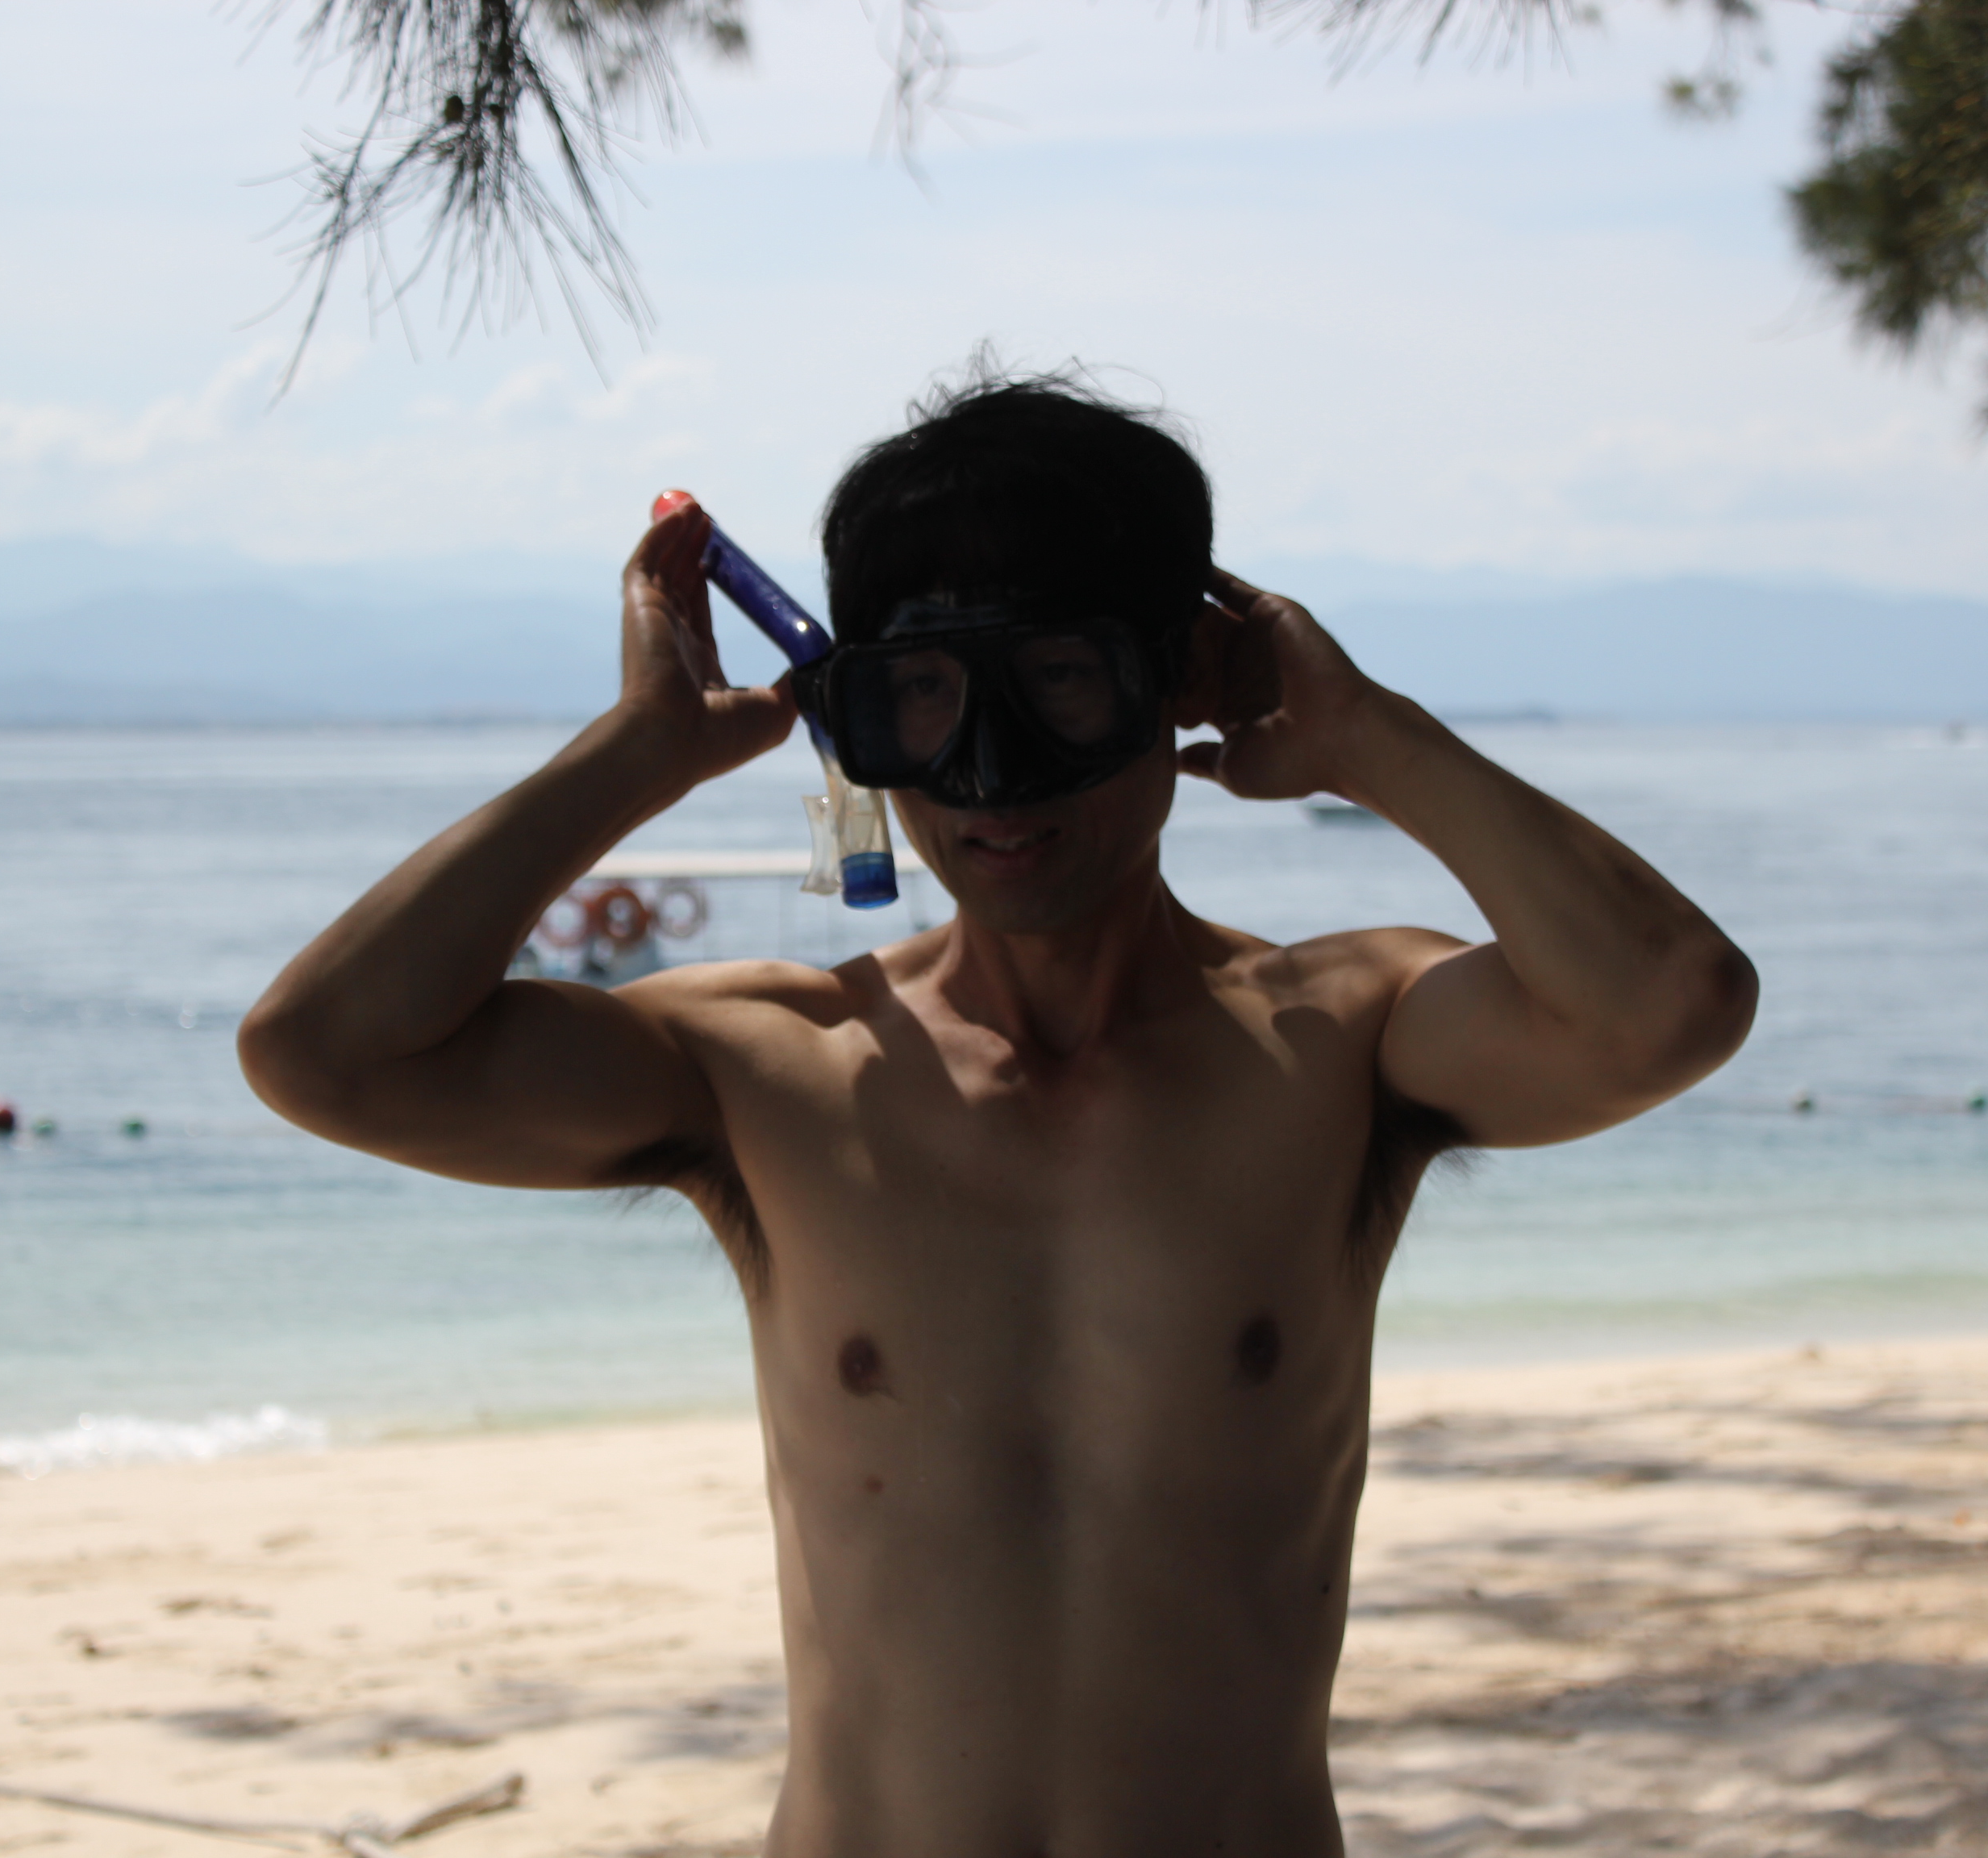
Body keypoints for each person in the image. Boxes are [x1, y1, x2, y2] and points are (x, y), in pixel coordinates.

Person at [239, 373, 1757, 1857]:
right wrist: (633, 756)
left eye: (1063, 678)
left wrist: (1369, 737)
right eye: (925, 694)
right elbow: (322, 1053)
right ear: (857, 715)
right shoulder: (771, 1068)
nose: (990, 769)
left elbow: (1671, 1003)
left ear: (1179, 677)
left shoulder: (1342, 1041)